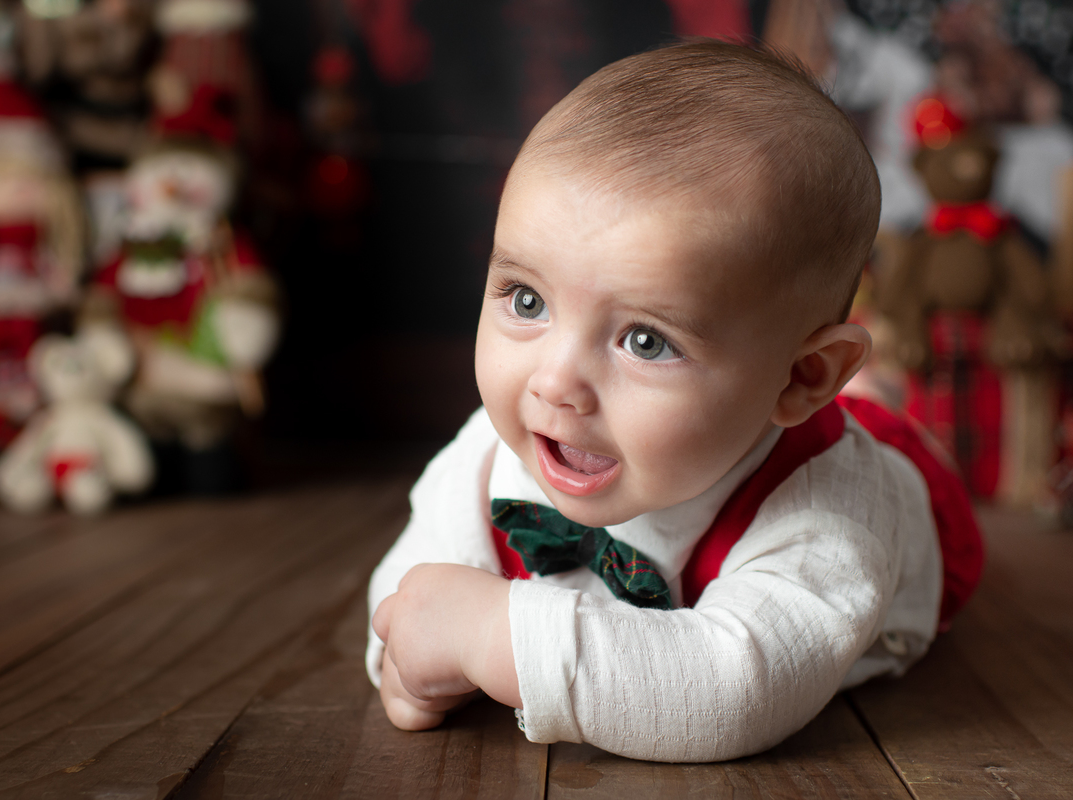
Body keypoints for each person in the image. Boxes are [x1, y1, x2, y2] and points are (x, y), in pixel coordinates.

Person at [367, 40, 983, 763]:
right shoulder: (498, 444)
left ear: (802, 377)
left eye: (646, 341)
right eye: (526, 299)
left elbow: (730, 693)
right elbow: (412, 600)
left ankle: (876, 406)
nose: (554, 381)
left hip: (899, 497)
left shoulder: (830, 511)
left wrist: (496, 638)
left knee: (893, 447)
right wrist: (409, 655)